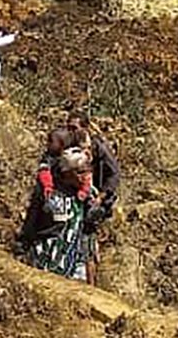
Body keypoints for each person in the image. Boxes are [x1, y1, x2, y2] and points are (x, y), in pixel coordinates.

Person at [19, 147, 90, 281]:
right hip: (46, 256)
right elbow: (33, 218)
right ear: (67, 173)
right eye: (80, 172)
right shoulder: (50, 193)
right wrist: (24, 242)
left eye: (87, 171)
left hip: (74, 259)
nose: (85, 176)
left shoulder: (86, 193)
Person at [66, 110, 120, 286]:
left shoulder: (99, 148)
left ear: (85, 128)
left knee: (86, 238)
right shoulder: (70, 146)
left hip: (95, 199)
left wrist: (101, 197)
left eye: (74, 128)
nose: (70, 131)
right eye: (68, 128)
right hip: (76, 198)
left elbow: (114, 174)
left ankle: (90, 286)